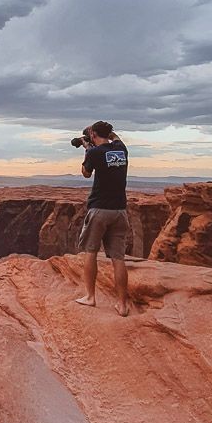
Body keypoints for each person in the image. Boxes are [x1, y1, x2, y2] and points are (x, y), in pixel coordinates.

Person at [75, 120, 130, 315]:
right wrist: (103, 134)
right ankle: (122, 305)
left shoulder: (94, 153)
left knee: (91, 251)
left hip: (99, 209)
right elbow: (115, 139)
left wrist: (86, 149)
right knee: (118, 258)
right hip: (120, 211)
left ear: (93, 135)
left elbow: (86, 174)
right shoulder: (121, 150)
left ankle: (90, 297)